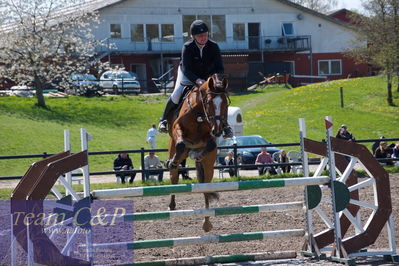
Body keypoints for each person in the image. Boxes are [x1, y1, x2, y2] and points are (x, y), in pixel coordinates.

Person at [157, 20, 233, 138]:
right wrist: (197, 80)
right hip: (188, 74)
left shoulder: (214, 46)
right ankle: (163, 120)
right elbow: (186, 69)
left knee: (220, 97)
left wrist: (214, 79)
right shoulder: (187, 47)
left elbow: (219, 67)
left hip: (208, 77)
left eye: (205, 35)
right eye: (200, 36)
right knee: (177, 93)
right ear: (193, 36)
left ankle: (225, 125)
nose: (203, 38)